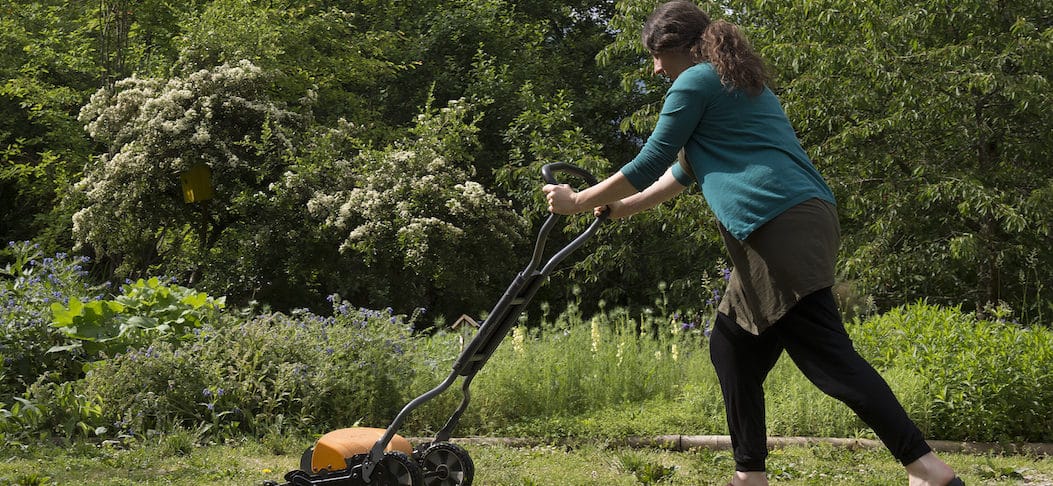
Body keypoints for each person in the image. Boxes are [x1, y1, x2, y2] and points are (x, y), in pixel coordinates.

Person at [542, 2, 964, 485]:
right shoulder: (735, 86)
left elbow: (649, 159)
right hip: (801, 217)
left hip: (775, 223)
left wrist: (577, 201)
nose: (656, 68)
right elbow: (679, 173)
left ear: (685, 46)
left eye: (659, 54)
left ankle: (927, 469)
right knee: (732, 345)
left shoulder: (696, 81)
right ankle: (750, 475)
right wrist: (618, 208)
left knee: (828, 357)